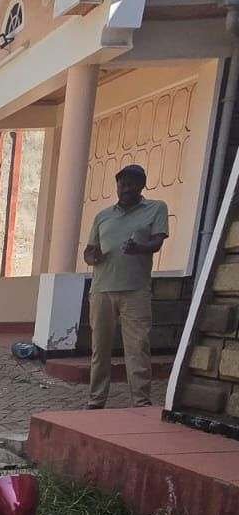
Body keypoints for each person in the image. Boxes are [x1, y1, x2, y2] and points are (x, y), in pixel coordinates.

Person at [82, 164, 169, 409]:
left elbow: (156, 243)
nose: (127, 188)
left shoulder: (156, 208)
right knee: (100, 348)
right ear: (117, 186)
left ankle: (141, 401)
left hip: (136, 290)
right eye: (123, 184)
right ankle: (96, 399)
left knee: (138, 348)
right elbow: (88, 251)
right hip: (101, 290)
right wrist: (93, 257)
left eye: (132, 184)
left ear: (142, 186)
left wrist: (137, 249)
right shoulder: (102, 216)